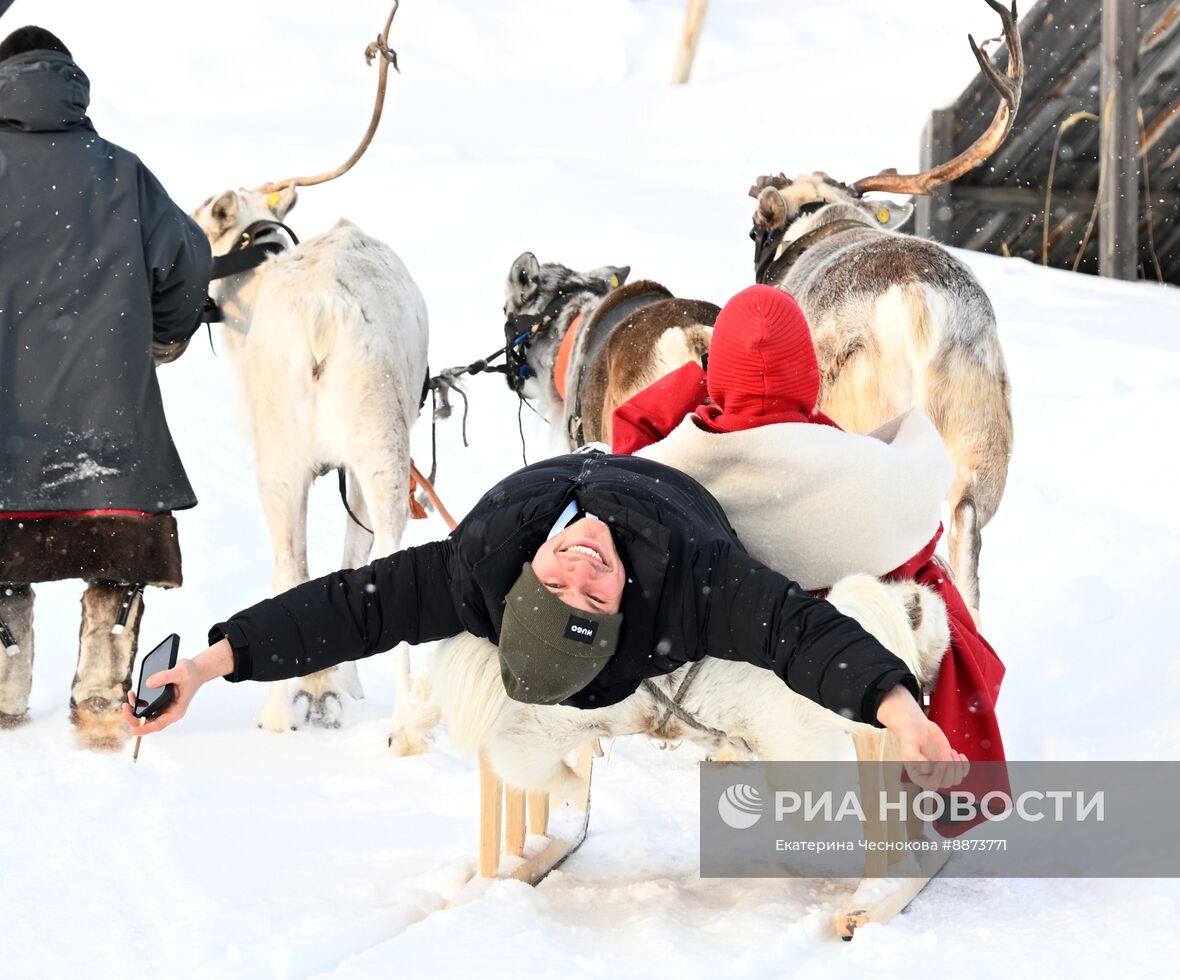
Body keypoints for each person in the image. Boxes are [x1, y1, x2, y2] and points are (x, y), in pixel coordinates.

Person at [122, 448, 970, 790]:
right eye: (591, 586)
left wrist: (208, 662)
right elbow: (796, 632)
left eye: (564, 573)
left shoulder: (479, 560)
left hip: (603, 465)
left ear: (524, 578)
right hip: (672, 495)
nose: (585, 558)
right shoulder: (693, 585)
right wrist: (898, 708)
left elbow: (348, 610)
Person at [612, 285, 1007, 768]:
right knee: (933, 585)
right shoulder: (854, 470)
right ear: (808, 372)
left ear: (717, 375)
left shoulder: (670, 467)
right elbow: (913, 539)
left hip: (710, 664)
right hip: (832, 659)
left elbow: (625, 450)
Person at [0, 26, 211, 749]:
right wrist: (163, 336)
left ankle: (2, 664)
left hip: (4, 443)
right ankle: (103, 673)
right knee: (116, 550)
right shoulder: (121, 173)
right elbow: (189, 261)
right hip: (109, 439)